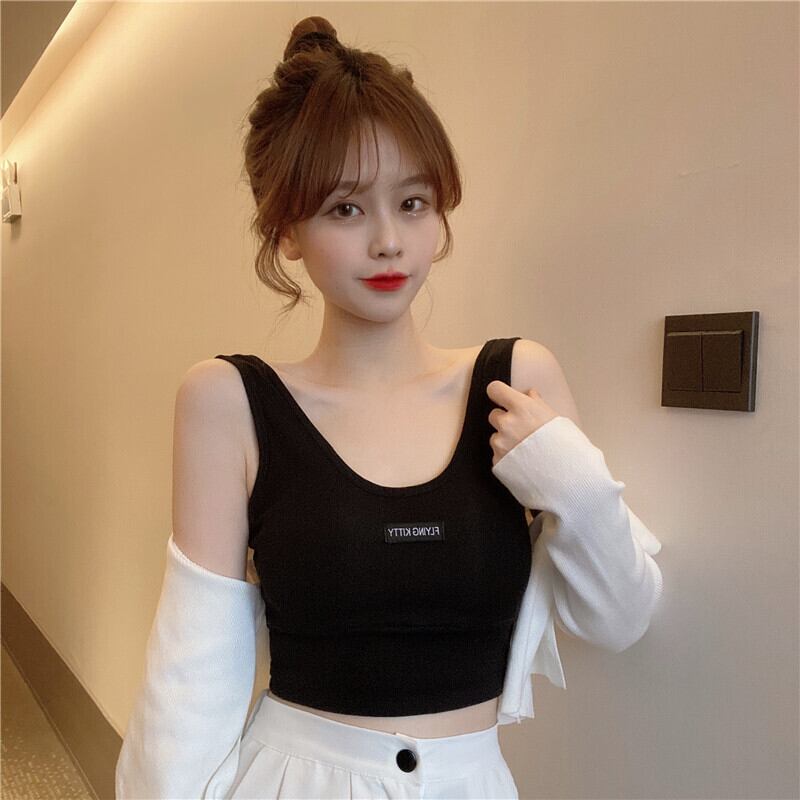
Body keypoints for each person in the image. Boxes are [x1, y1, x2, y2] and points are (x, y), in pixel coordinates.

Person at [115, 16, 664, 800]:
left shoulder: (515, 382)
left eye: (412, 203)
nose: (388, 242)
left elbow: (619, 619)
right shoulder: (228, 402)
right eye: (345, 209)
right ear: (287, 229)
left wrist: (571, 480)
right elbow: (189, 679)